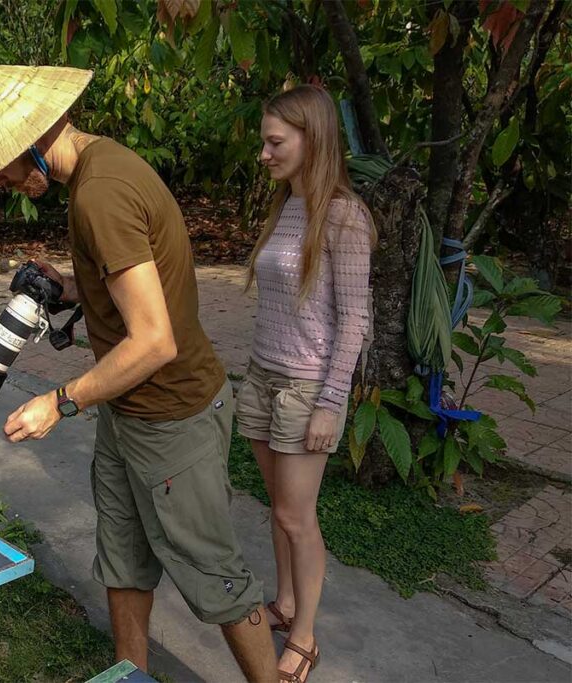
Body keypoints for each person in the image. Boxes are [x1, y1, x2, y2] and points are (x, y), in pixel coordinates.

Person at [0, 65, 278, 682]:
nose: (5, 183)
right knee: (123, 562)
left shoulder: (100, 193)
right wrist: (69, 289)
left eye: (3, 168)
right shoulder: (101, 169)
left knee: (217, 577)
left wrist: (60, 401)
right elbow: (128, 292)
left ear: (31, 143)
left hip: (172, 417)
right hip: (128, 415)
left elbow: (154, 340)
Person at [236, 84, 375, 683]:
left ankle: (306, 636)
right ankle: (286, 601)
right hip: (263, 375)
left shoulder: (344, 215)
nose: (264, 154)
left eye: (274, 142)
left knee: (298, 517)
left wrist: (330, 403)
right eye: (264, 142)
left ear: (311, 139)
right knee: (279, 510)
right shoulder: (286, 206)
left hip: (304, 386)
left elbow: (356, 321)